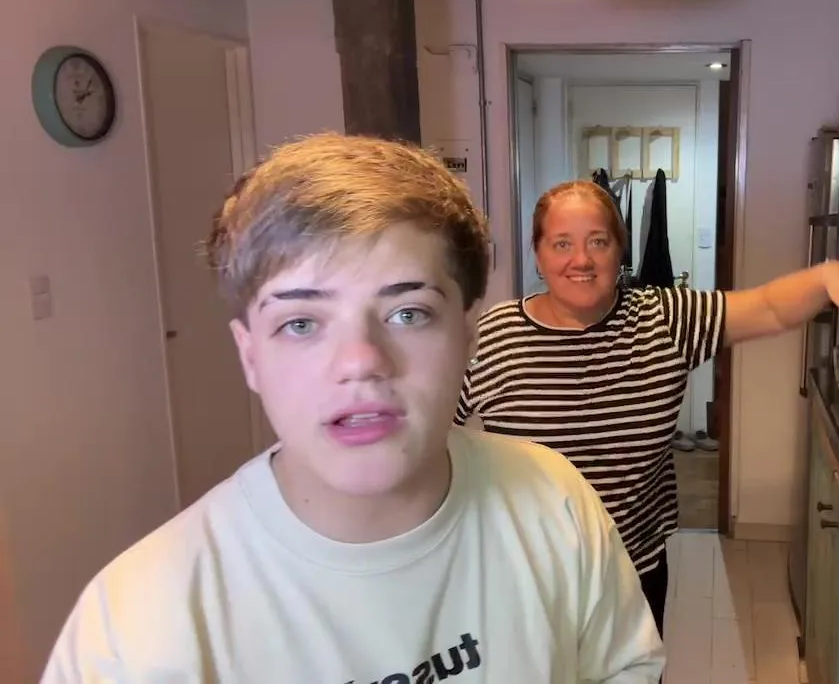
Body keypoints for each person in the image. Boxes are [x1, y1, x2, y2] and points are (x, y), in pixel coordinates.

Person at [41, 136, 664, 683]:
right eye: (302, 322)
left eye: (408, 313)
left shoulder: (554, 501)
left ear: (468, 336)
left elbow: (622, 666)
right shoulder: (133, 629)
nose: (362, 360)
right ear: (250, 354)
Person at [455, 180, 839, 632]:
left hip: (631, 574)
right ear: (538, 254)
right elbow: (432, 436)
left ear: (620, 251)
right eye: (562, 244)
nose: (581, 260)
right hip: (527, 579)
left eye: (598, 241)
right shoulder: (492, 336)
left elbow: (768, 307)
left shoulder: (663, 319)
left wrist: (826, 276)